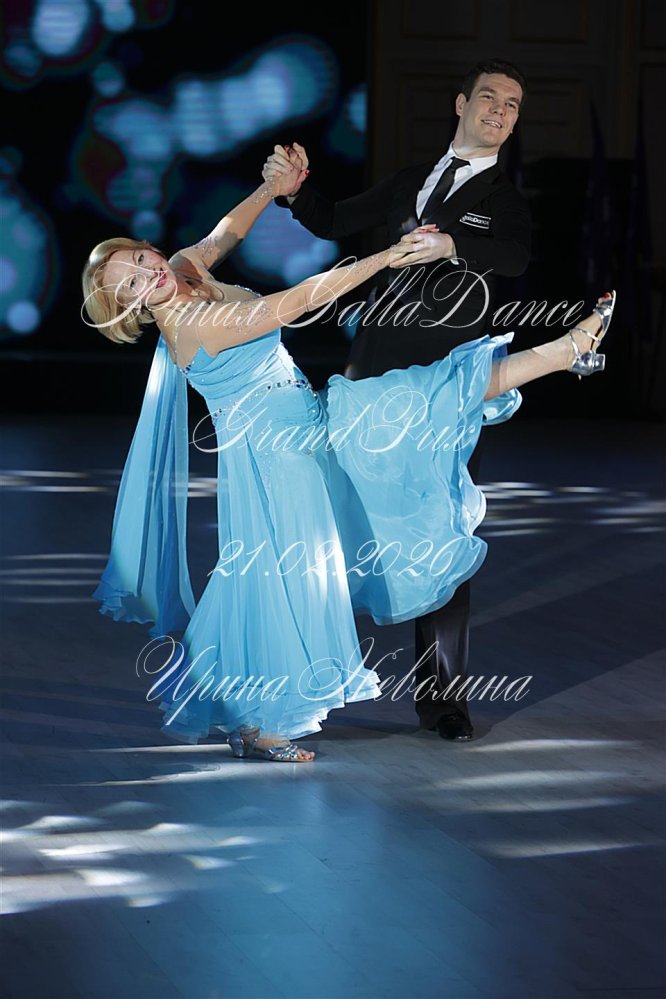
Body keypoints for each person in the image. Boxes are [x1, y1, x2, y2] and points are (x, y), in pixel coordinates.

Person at [82, 154, 615, 763]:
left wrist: (270, 188)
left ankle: (568, 348)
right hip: (278, 460)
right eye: (131, 283)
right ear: (128, 309)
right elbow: (296, 301)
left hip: (308, 422)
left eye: (141, 259)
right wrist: (385, 258)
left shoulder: (182, 270)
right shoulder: (194, 325)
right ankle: (262, 717)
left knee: (416, 400)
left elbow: (222, 234)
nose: (147, 274)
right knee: (288, 579)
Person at [263, 58, 531, 742]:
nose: (500, 111)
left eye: (512, 105)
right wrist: (294, 193)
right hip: (373, 371)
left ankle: (444, 701)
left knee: (440, 530)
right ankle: (302, 680)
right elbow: (334, 219)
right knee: (338, 519)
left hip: (444, 380)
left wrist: (453, 242)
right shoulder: (412, 179)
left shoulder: (505, 198)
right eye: (490, 97)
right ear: (461, 103)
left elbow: (515, 256)